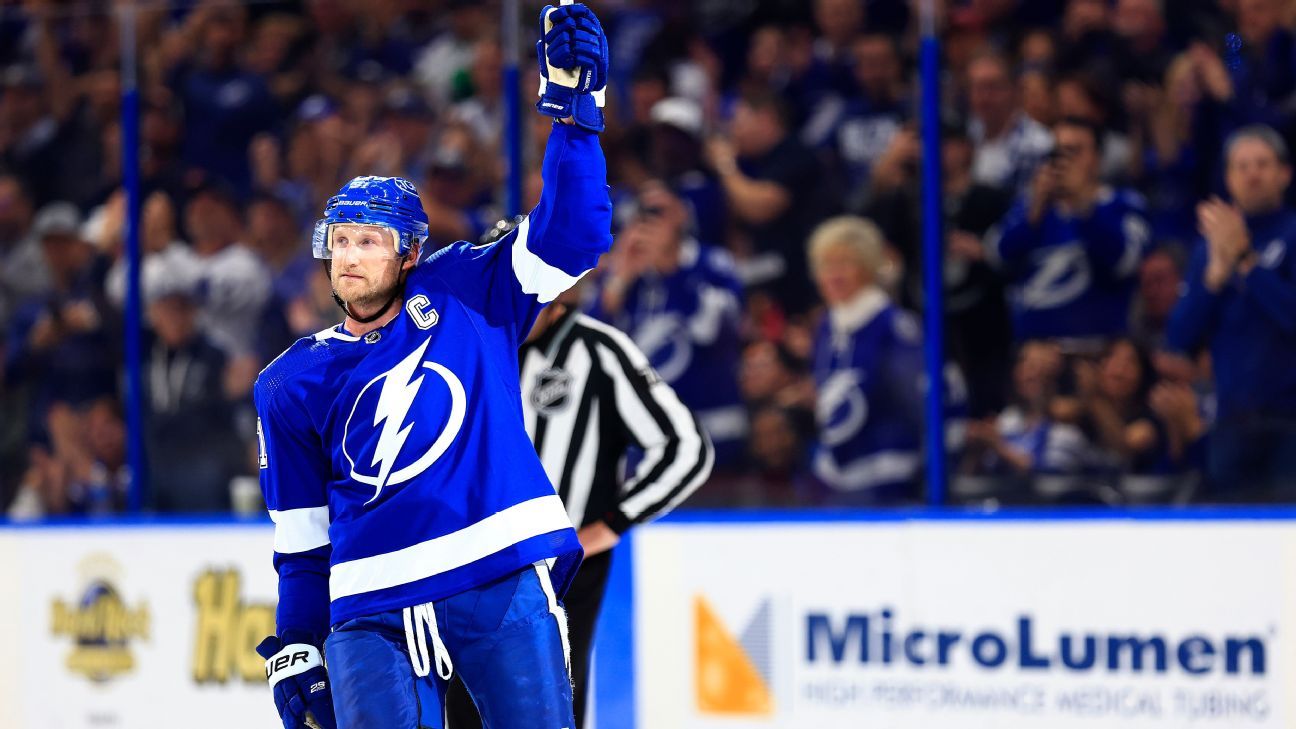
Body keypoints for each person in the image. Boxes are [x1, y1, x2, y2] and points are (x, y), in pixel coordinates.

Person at [252, 6, 612, 729]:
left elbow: (573, 235)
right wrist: (297, 642)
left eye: (370, 242)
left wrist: (576, 122)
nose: (349, 258)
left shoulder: (469, 289)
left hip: (496, 569)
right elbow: (302, 538)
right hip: (369, 603)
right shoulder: (288, 381)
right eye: (340, 242)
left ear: (409, 253)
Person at [446, 239, 713, 729]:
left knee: (548, 711)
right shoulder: (469, 352)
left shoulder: (598, 350)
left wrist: (611, 523)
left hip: (561, 570)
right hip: (469, 567)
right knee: (463, 712)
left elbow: (685, 448)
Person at [1166, 124, 1296, 497]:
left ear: (1284, 174)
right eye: (1242, 166)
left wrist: (1246, 262)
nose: (1252, 174)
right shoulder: (1211, 247)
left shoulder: (1291, 234)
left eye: (1262, 164)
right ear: (1228, 178)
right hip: (1231, 422)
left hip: (1290, 423)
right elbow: (1179, 337)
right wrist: (1213, 279)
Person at [588, 183, 747, 466]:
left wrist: (671, 270)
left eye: (659, 211)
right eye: (643, 213)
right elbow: (593, 341)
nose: (650, 221)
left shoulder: (712, 263)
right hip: (649, 431)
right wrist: (620, 276)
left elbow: (713, 329)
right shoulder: (632, 274)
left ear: (682, 215)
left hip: (712, 427)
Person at [986, 117, 1151, 349]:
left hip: (1097, 352)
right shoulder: (1031, 208)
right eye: (1056, 153)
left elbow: (1124, 262)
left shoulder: (1123, 203)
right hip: (1033, 356)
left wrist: (1083, 206)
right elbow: (998, 257)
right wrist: (1032, 214)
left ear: (1097, 159)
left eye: (1073, 152)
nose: (1062, 162)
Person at [807, 216, 924, 502]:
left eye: (844, 264)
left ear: (868, 267)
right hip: (839, 477)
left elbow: (916, 404)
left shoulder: (894, 327)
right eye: (826, 265)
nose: (833, 275)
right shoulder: (827, 325)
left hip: (889, 478)